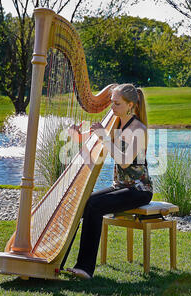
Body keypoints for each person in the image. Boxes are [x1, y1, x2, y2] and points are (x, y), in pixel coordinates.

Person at [62, 83, 153, 279]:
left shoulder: (139, 129)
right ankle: (59, 260)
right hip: (120, 187)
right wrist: (75, 134)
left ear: (131, 105)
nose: (112, 108)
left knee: (94, 205)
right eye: (111, 103)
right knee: (84, 202)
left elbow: (125, 161)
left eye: (117, 104)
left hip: (139, 190)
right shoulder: (116, 123)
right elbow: (84, 140)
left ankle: (85, 268)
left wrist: (104, 137)